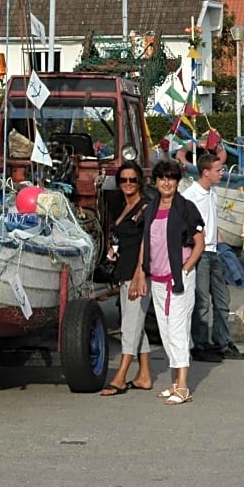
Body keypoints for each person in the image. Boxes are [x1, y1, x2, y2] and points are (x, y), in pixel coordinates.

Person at [130, 160, 205, 405]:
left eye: (171, 178)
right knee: (165, 330)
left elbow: (199, 242)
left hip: (178, 276)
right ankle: (175, 382)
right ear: (156, 181)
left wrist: (185, 269)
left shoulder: (186, 208)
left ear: (177, 181)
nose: (166, 182)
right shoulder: (150, 208)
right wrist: (141, 271)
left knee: (177, 329)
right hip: (158, 278)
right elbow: (146, 242)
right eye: (162, 178)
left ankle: (183, 386)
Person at [183, 153, 244, 362]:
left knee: (222, 299)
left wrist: (224, 249)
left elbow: (213, 222)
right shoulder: (190, 196)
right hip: (200, 253)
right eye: (218, 170)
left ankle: (222, 341)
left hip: (215, 251)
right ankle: (201, 344)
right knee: (201, 302)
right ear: (205, 172)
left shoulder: (213, 193)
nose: (222, 173)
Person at [100, 161, 151, 396]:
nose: (128, 184)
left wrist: (140, 274)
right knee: (136, 323)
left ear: (139, 181)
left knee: (130, 326)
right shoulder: (123, 206)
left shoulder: (145, 207)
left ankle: (120, 376)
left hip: (137, 273)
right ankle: (144, 376)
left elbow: (147, 242)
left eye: (132, 179)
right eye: (123, 180)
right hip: (124, 271)